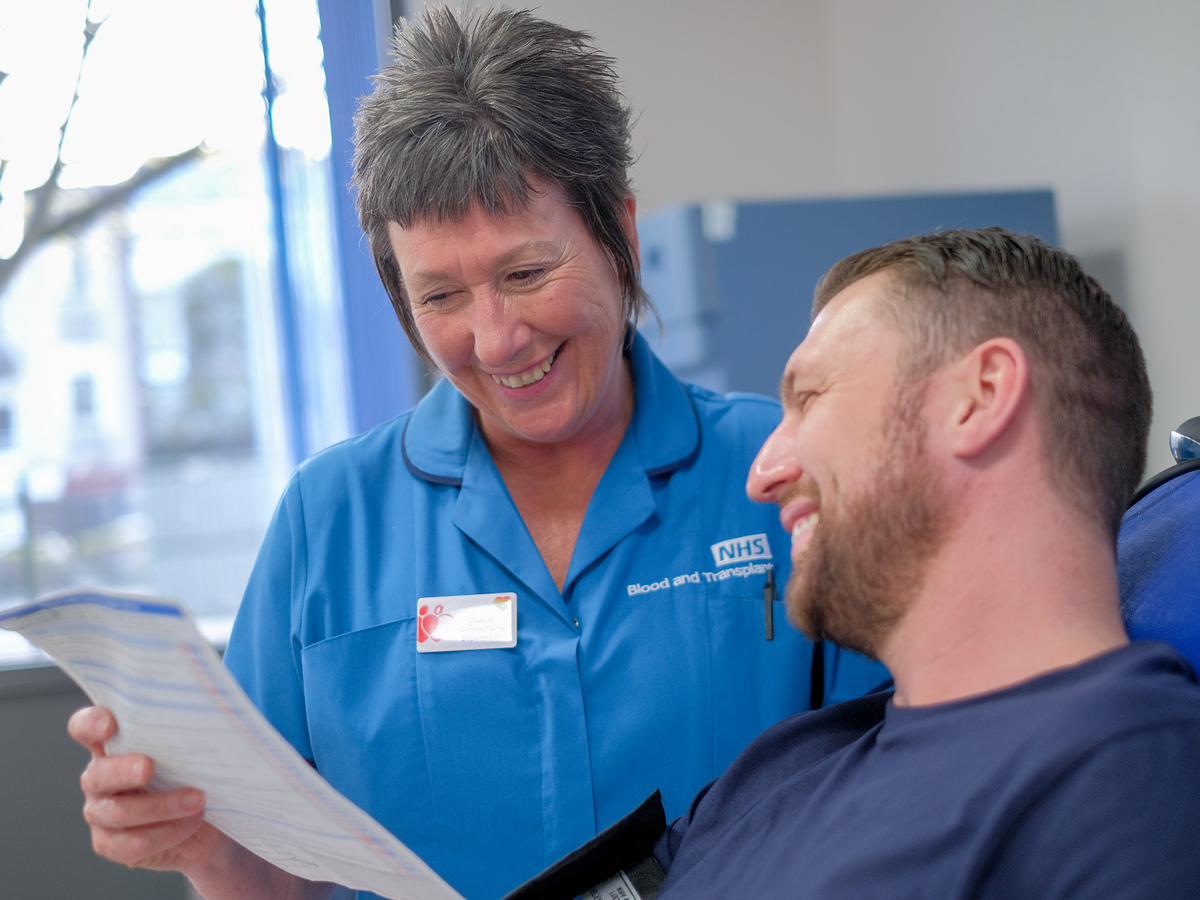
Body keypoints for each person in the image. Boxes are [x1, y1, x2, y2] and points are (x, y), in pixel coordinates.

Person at [66, 7, 884, 900]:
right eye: (441, 296)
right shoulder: (328, 522)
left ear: (621, 236)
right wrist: (193, 840)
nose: (495, 341)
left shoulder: (783, 470)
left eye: (526, 274)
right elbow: (269, 879)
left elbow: (895, 797)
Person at [637, 227, 1200, 897]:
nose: (762, 475)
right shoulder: (780, 766)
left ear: (981, 395)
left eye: (809, 398)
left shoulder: (1130, 786)